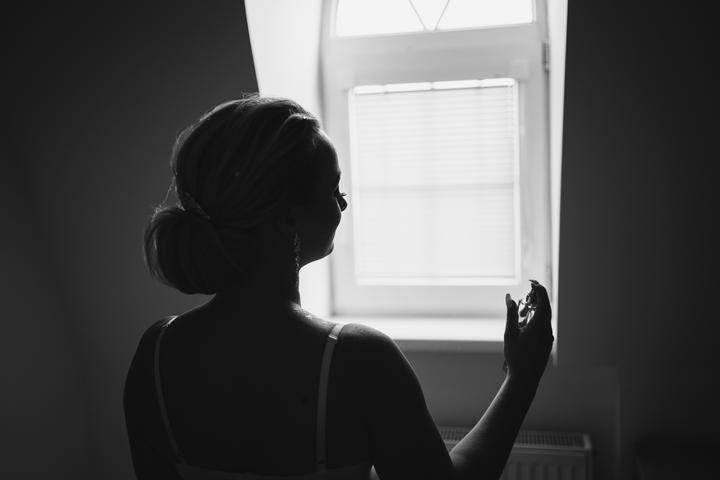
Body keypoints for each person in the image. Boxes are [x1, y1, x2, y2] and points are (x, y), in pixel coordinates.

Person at [124, 95, 554, 480]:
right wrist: (522, 377)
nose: (343, 203)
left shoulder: (156, 355)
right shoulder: (359, 360)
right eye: (333, 189)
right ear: (286, 218)